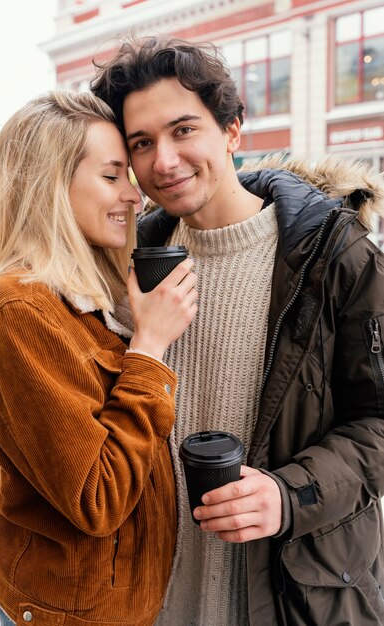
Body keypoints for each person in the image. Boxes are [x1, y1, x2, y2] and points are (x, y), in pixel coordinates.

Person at [91, 36, 384, 625]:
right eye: (142, 143)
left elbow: (376, 422)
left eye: (183, 131)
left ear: (232, 130)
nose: (164, 161)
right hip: (148, 597)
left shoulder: (334, 254)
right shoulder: (127, 257)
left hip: (287, 595)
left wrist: (288, 495)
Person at [0, 91, 198, 626]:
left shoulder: (88, 293)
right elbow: (99, 496)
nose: (135, 198)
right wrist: (150, 347)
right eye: (112, 176)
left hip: (120, 602)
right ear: (48, 185)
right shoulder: (19, 309)